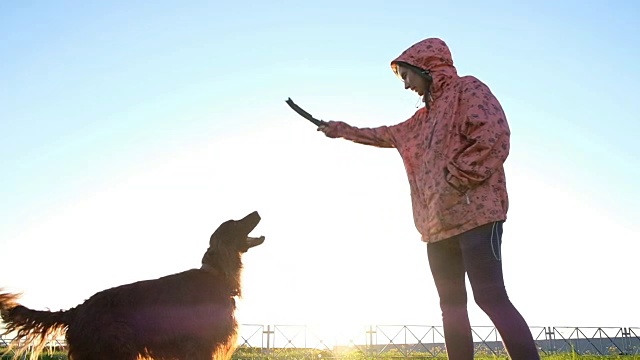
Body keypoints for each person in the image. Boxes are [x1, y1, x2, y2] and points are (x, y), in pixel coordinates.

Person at [316, 38, 540, 360]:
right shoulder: (420, 121)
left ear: (426, 67)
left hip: (476, 217)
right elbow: (382, 135)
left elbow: (494, 135)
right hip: (437, 226)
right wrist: (339, 129)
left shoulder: (468, 90)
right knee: (450, 307)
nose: (406, 85)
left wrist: (456, 181)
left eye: (406, 76)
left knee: (490, 297)